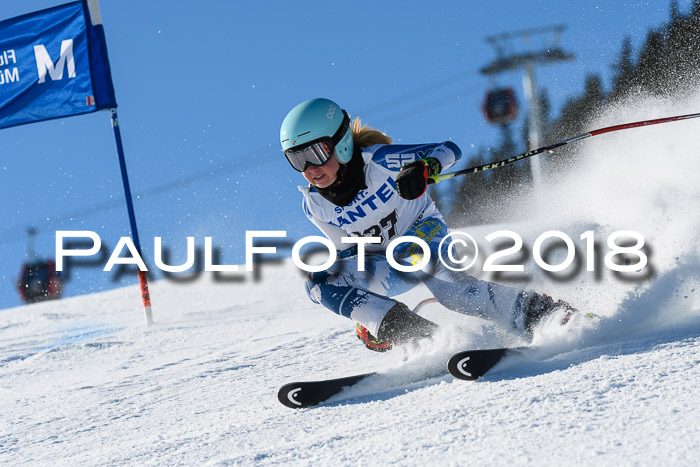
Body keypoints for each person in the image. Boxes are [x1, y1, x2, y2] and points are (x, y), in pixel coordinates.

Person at [280, 97, 576, 352]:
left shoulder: (379, 161)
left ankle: (546, 315)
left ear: (341, 143)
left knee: (457, 295)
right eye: (297, 160)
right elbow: (347, 254)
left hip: (423, 235)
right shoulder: (315, 205)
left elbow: (448, 150)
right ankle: (427, 339)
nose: (309, 169)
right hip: (386, 263)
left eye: (316, 153)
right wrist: (368, 313)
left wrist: (422, 168)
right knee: (320, 282)